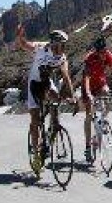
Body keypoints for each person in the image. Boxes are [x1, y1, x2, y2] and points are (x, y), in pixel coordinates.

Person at [16, 24, 75, 164]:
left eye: (64, 45)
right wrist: (20, 35)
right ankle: (36, 153)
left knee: (56, 109)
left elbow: (66, 77)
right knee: (35, 119)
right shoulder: (41, 48)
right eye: (61, 45)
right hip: (34, 83)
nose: (63, 48)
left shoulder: (62, 57)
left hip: (47, 83)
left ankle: (48, 141)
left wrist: (72, 97)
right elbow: (24, 45)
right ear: (54, 43)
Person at [81, 36, 112, 163]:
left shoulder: (108, 55)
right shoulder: (90, 58)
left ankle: (103, 120)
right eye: (101, 52)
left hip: (100, 84)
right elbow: (87, 77)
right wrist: (88, 94)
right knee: (89, 115)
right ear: (96, 51)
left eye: (104, 51)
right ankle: (88, 146)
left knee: (107, 95)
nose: (103, 54)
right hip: (88, 86)